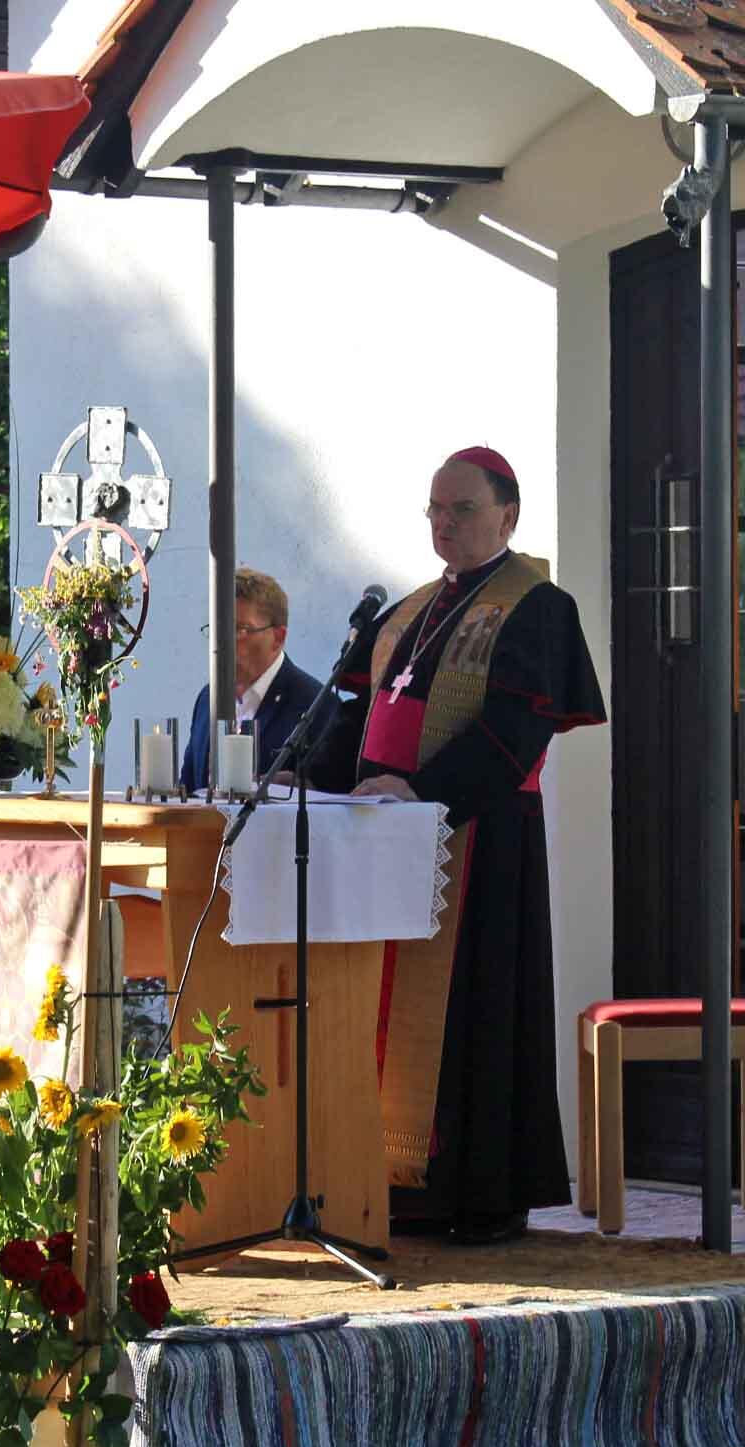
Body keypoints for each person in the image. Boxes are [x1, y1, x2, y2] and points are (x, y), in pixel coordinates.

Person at [290, 446, 605, 1244]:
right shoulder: (406, 610)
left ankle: (477, 1195)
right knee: (382, 1015)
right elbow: (355, 715)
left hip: (479, 844)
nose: (443, 523)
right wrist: (298, 778)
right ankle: (387, 1187)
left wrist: (423, 794)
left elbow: (515, 729)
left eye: (461, 510)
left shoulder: (538, 607)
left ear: (508, 515)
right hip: (381, 846)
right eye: (434, 509)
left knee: (477, 1018)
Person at [178, 567, 331, 792]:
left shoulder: (315, 705)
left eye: (239, 629)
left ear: (278, 638)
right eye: (218, 629)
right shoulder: (207, 698)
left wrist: (297, 788)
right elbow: (189, 788)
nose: (222, 643)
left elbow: (330, 797)